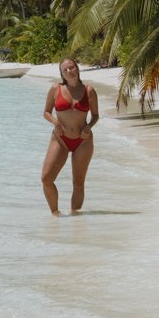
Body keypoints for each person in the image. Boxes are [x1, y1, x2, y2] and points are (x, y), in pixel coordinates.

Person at [42, 58, 99, 215]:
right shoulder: (55, 89)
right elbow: (46, 112)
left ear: (77, 68)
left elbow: (95, 116)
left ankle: (76, 218)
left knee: (78, 183)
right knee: (46, 179)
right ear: (61, 74)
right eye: (65, 70)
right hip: (60, 139)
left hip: (83, 141)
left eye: (71, 67)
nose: (69, 71)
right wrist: (55, 122)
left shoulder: (89, 90)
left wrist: (88, 126)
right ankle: (55, 215)